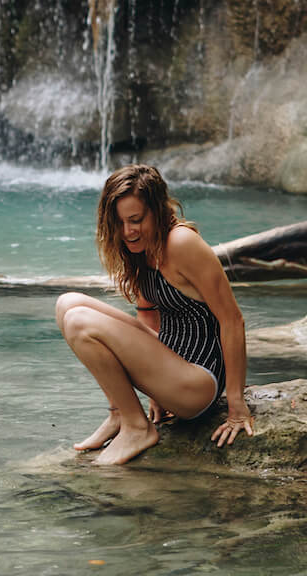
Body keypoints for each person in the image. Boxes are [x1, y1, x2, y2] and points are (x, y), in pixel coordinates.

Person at [56, 164, 254, 465]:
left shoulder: (181, 243)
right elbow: (148, 316)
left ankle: (138, 428)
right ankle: (120, 413)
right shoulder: (140, 250)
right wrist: (157, 393)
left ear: (158, 210)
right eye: (119, 223)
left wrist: (236, 405)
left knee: (80, 322)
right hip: (172, 368)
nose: (127, 232)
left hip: (198, 382)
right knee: (67, 304)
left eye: (136, 220)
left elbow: (232, 320)